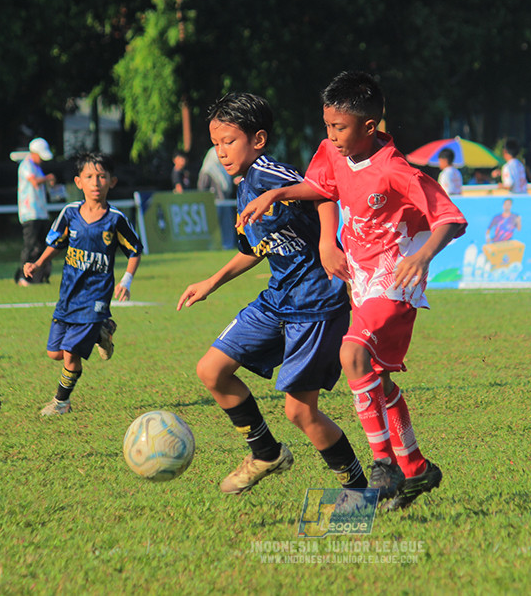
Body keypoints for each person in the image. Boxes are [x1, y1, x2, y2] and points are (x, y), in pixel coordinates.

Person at [240, 70, 468, 510]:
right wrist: (280, 194)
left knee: (352, 353)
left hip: (395, 279)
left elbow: (451, 219)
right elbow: (323, 187)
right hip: (359, 280)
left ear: (369, 127)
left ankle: (382, 466)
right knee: (375, 380)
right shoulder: (331, 151)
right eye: (327, 126)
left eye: (339, 127)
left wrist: (421, 257)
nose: (331, 136)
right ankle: (417, 469)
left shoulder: (395, 169)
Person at [178, 92, 368, 495]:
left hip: (315, 305)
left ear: (258, 139)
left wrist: (327, 245)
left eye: (229, 141)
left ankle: (357, 492)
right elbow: (256, 250)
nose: (222, 152)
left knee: (300, 412)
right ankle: (265, 452)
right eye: (216, 144)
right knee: (211, 371)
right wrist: (211, 282)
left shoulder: (271, 175)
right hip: (277, 298)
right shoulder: (246, 185)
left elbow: (323, 191)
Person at [24, 152, 142, 416]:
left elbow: (134, 250)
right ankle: (104, 329)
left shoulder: (116, 219)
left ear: (112, 181)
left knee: (70, 353)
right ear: (79, 182)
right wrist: (38, 263)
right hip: (69, 295)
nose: (96, 182)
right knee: (53, 353)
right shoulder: (69, 213)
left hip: (96, 297)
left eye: (102, 176)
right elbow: (55, 243)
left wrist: (127, 279)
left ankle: (61, 402)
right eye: (89, 176)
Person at [15, 137, 56, 286]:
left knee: (42, 245)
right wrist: (48, 178)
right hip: (29, 212)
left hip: (41, 212)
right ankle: (22, 277)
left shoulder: (37, 167)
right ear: (34, 153)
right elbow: (34, 181)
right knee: (29, 245)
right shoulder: (26, 165)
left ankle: (39, 276)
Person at [197, 146, 238, 249]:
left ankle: (227, 245)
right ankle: (213, 246)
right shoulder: (207, 169)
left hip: (225, 201)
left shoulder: (223, 169)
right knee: (214, 227)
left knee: (227, 224)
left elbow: (226, 186)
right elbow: (202, 187)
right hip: (213, 203)